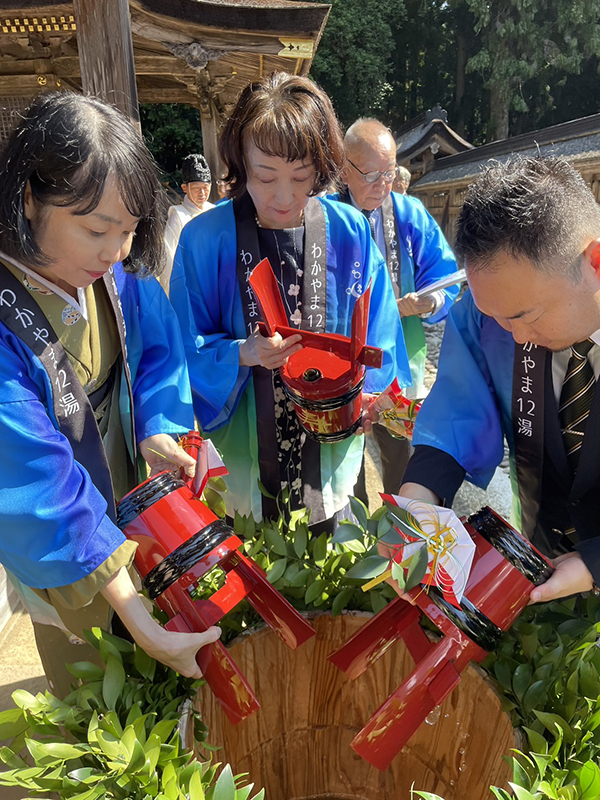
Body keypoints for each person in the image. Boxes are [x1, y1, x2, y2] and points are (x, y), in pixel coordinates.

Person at [0, 92, 220, 697]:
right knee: (94, 677)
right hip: (62, 520)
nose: (117, 252)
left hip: (121, 467)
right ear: (28, 199)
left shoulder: (113, 272)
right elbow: (33, 477)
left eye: (129, 230)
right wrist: (135, 614)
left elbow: (156, 349)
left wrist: (155, 422)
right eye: (97, 229)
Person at [170, 73, 408, 528]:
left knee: (329, 559)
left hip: (332, 439)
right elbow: (182, 345)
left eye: (301, 178)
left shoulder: (350, 231)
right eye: (264, 177)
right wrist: (242, 353)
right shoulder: (203, 239)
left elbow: (380, 329)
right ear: (241, 163)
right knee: (249, 559)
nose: (284, 196)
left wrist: (372, 396)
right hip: (243, 440)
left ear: (322, 167)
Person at [396, 156, 600, 603]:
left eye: (525, 316)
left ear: (595, 261)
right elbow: (458, 407)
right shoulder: (491, 311)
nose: (516, 336)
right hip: (543, 561)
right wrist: (418, 501)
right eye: (497, 318)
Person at [332, 118, 459, 498]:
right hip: (343, 353)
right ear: (343, 166)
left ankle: (398, 524)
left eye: (389, 173)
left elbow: (444, 269)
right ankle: (349, 526)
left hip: (400, 350)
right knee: (345, 445)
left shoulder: (408, 212)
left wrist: (430, 299)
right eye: (372, 174)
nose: (383, 184)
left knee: (398, 444)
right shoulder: (324, 215)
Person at [162, 154, 214, 291]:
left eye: (206, 187)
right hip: (190, 286)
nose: (202, 193)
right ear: (185, 188)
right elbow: (169, 256)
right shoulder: (178, 216)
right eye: (197, 188)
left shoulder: (214, 211)